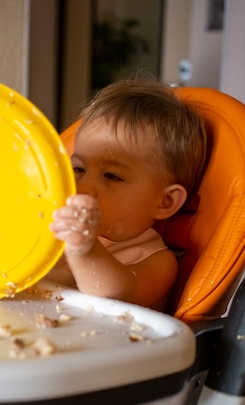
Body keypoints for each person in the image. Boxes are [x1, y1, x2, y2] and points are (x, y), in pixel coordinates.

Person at [47, 77, 207, 311]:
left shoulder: (158, 261)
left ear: (165, 201)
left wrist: (85, 249)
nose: (82, 187)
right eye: (78, 169)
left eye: (112, 176)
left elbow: (117, 295)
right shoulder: (57, 228)